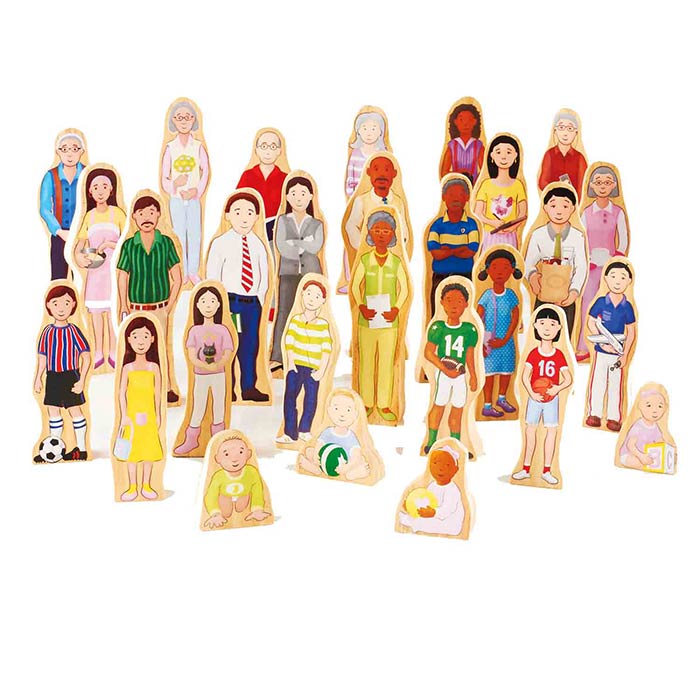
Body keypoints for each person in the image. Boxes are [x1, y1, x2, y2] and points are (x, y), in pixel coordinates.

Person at [116, 194, 183, 403]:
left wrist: (169, 306)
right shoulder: (129, 245)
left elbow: (177, 277)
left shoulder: (166, 243)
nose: (147, 217)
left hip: (160, 307)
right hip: (136, 308)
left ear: (159, 215)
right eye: (141, 213)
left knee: (160, 347)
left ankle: (166, 388)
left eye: (151, 212)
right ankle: (136, 391)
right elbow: (122, 276)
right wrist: (123, 304)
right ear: (134, 217)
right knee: (136, 348)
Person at [206, 191, 270, 402]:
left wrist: (259, 298)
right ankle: (228, 387)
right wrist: (218, 303)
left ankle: (249, 387)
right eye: (238, 212)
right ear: (228, 215)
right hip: (230, 302)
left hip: (251, 303)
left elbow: (264, 273)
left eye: (250, 213)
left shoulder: (258, 244)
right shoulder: (221, 243)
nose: (244, 218)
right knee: (229, 344)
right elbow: (213, 275)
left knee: (250, 346)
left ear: (256, 217)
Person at [350, 210, 410, 423]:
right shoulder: (365, 260)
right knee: (366, 362)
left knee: (386, 363)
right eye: (377, 230)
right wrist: (361, 306)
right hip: (366, 320)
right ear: (369, 232)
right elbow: (355, 286)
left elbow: (404, 289)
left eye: (386, 230)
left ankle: (384, 404)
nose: (381, 234)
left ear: (393, 233)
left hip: (389, 322)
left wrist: (396, 308)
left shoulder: (396, 262)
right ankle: (366, 403)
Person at [72, 167, 126, 370]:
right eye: (95, 187)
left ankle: (112, 350)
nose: (100, 190)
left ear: (111, 190)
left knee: (111, 313)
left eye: (104, 186)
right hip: (95, 274)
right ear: (90, 192)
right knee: (96, 314)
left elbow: (127, 241)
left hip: (113, 271)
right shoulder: (89, 217)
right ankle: (97, 352)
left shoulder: (118, 214)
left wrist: (109, 245)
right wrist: (79, 257)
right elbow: (79, 245)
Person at [512, 307, 573, 486]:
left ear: (559, 328)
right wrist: (532, 393)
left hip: (551, 400)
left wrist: (556, 389)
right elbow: (525, 376)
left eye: (552, 324)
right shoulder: (533, 353)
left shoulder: (559, 355)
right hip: (535, 399)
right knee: (530, 430)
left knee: (552, 432)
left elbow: (568, 378)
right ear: (535, 326)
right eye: (543, 323)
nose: (547, 328)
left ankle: (547, 470)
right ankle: (526, 468)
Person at [271, 175, 324, 372]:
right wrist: (304, 244)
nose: (298, 197)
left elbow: (316, 246)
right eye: (293, 193)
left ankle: (309, 358)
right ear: (286, 196)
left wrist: (295, 242)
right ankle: (278, 356)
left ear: (311, 196)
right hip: (288, 272)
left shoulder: (316, 223)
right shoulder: (283, 220)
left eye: (303, 193)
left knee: (311, 312)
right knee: (284, 311)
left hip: (311, 274)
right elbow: (282, 246)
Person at [576, 165, 630, 360]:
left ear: (614, 185)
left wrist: (615, 260)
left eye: (607, 183)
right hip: (591, 266)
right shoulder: (586, 212)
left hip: (609, 268)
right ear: (591, 185)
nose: (602, 186)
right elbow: (582, 238)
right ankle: (584, 345)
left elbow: (623, 239)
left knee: (610, 306)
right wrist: (586, 259)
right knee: (587, 304)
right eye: (598, 182)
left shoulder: (618, 212)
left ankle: (610, 344)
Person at [174, 286, 235, 455]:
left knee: (219, 407)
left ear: (219, 304)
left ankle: (219, 441)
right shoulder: (194, 330)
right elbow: (191, 355)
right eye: (204, 301)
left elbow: (228, 351)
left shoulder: (223, 330)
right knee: (198, 406)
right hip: (200, 376)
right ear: (197, 305)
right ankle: (191, 440)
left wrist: (218, 364)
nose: (208, 305)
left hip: (219, 375)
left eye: (212, 301)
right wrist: (205, 366)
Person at [33, 285, 91, 462]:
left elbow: (86, 356)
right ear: (48, 305)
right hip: (52, 376)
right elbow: (42, 357)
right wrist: (38, 378)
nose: (61, 308)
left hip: (70, 375)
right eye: (55, 303)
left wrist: (81, 380)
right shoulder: (47, 332)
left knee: (75, 410)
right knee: (53, 410)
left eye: (66, 303)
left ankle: (81, 449)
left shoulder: (73, 331)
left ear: (73, 305)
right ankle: (54, 448)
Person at [342, 153, 412, 292]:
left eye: (386, 170)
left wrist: (397, 246)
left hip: (391, 257)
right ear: (368, 172)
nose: (381, 174)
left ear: (394, 174)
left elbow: (403, 229)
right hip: (369, 258)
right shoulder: (361, 201)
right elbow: (351, 226)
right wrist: (364, 246)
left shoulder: (398, 202)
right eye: (376, 169)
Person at [524, 185, 587, 337]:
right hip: (544, 294)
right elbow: (528, 263)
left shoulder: (577, 236)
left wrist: (574, 292)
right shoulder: (538, 235)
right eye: (553, 206)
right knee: (540, 334)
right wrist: (533, 277)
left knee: (564, 334)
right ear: (545, 207)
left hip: (566, 296)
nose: (559, 211)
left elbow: (581, 267)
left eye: (565, 206)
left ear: (573, 208)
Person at [423, 283, 478, 453]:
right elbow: (428, 352)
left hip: (460, 375)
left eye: (459, 301)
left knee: (458, 409)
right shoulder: (438, 327)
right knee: (438, 405)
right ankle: (431, 441)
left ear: (466, 304)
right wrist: (445, 369)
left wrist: (473, 375)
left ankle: (456, 444)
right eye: (449, 300)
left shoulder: (469, 329)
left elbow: (470, 354)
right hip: (444, 374)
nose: (454, 305)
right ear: (441, 302)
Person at [160, 98, 210, 285]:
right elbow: (164, 177)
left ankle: (193, 272)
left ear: (194, 120)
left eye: (187, 117)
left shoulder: (198, 146)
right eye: (179, 117)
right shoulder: (170, 148)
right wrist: (175, 185)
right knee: (179, 234)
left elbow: (205, 171)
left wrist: (196, 191)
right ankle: (182, 270)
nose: (183, 121)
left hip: (194, 198)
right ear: (173, 121)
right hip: (176, 199)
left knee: (195, 234)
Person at [277, 280, 333, 444]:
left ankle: (304, 430)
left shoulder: (323, 325)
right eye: (308, 293)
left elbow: (326, 348)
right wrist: (291, 364)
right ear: (302, 295)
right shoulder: (296, 320)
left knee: (310, 399)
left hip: (313, 369)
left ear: (323, 300)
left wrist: (321, 371)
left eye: (317, 296)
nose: (311, 299)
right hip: (296, 366)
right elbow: (289, 342)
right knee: (290, 398)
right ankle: (290, 433)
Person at [114, 316, 163, 501]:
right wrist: (124, 415)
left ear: (152, 339)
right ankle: (132, 487)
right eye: (135, 336)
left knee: (149, 450)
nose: (140, 341)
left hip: (149, 416)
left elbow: (158, 393)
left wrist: (158, 415)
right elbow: (121, 392)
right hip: (131, 417)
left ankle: (147, 485)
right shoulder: (127, 368)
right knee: (132, 453)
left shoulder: (154, 367)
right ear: (128, 339)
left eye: (145, 336)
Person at [584, 261, 637, 432]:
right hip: (601, 352)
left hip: (617, 354)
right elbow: (591, 323)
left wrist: (625, 355)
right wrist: (602, 343)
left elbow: (631, 332)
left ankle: (614, 417)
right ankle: (594, 414)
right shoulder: (601, 302)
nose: (617, 281)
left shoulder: (627, 307)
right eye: (613, 276)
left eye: (622, 277)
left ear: (629, 281)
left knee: (615, 385)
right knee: (598, 382)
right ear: (606, 278)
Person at [426, 177, 480, 317]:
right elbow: (436, 254)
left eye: (460, 194)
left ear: (467, 197)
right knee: (438, 313)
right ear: (444, 197)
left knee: (464, 314)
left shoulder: (471, 224)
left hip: (465, 275)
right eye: (451, 194)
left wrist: (447, 250)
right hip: (440, 276)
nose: (455, 199)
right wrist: (459, 249)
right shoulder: (437, 225)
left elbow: (471, 251)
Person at [476, 249, 521, 417]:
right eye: (495, 267)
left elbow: (515, 317)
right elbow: (478, 317)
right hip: (488, 343)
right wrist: (480, 342)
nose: (500, 272)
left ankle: (502, 398)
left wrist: (505, 339)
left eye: (505, 267)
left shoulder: (510, 295)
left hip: (506, 343)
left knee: (506, 371)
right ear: (487, 270)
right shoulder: (487, 295)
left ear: (512, 270)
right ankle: (487, 405)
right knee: (488, 373)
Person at [39, 130, 88, 280]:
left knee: (83, 277)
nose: (69, 154)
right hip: (60, 234)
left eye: (74, 149)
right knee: (59, 277)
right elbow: (45, 209)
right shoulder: (50, 176)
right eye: (64, 149)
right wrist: (59, 231)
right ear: (58, 152)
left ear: (82, 151)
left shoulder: (87, 173)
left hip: (83, 235)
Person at [297, 389, 370, 481]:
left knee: (361, 459)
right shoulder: (328, 432)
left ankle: (352, 474)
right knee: (310, 450)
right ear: (329, 411)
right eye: (336, 409)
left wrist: (347, 466)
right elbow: (319, 444)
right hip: (324, 461)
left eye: (348, 410)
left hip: (344, 464)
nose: (342, 414)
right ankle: (315, 469)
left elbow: (356, 455)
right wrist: (316, 455)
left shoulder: (351, 436)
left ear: (355, 414)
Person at [202, 433, 272, 529]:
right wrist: (215, 513)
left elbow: (257, 490)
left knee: (241, 508)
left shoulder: (251, 472)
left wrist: (257, 509)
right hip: (225, 496)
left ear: (248, 454)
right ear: (217, 458)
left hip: (244, 495)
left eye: (241, 452)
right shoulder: (218, 476)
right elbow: (211, 495)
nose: (234, 459)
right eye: (226, 454)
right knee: (226, 513)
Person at [473, 134, 528, 252]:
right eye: (498, 152)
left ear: (516, 156)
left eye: (508, 152)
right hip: (490, 235)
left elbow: (523, 213)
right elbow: (477, 212)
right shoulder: (486, 184)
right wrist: (492, 222)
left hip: (510, 236)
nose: (503, 157)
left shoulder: (518, 185)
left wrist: (513, 227)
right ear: (492, 156)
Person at [398, 444, 465, 536]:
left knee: (423, 522)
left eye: (447, 465)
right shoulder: (432, 485)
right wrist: (412, 506)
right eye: (435, 463)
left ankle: (411, 522)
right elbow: (427, 502)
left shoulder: (452, 489)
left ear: (455, 470)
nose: (440, 468)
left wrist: (434, 512)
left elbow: (448, 510)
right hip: (436, 516)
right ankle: (410, 519)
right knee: (423, 519)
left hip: (449, 522)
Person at [237, 129, 289, 241]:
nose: (268, 151)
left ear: (279, 151)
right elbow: (237, 202)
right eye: (264, 146)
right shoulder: (247, 176)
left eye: (273, 147)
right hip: (251, 227)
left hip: (276, 229)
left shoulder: (285, 178)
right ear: (256, 150)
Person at [618, 388, 674, 470]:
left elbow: (660, 442)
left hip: (646, 455)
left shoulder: (656, 427)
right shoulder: (638, 426)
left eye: (660, 406)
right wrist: (641, 456)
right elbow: (630, 445)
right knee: (639, 463)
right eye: (649, 406)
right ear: (641, 407)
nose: (655, 410)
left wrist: (669, 452)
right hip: (630, 454)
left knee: (654, 462)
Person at [537, 110, 587, 199]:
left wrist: (576, 203)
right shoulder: (549, 154)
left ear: (576, 132)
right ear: (555, 130)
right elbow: (542, 182)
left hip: (574, 203)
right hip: (553, 201)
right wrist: (559, 187)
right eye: (561, 127)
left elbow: (583, 186)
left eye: (570, 129)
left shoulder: (580, 158)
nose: (565, 133)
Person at [345, 109, 389, 197]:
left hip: (378, 198)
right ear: (358, 131)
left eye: (373, 129)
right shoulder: (355, 154)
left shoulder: (383, 154)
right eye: (364, 129)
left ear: (381, 132)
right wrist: (352, 197)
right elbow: (350, 179)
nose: (369, 134)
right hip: (358, 197)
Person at [439, 102, 484, 182]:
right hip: (456, 185)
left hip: (474, 185)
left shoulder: (478, 146)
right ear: (455, 122)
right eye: (461, 120)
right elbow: (443, 173)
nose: (465, 124)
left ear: (475, 122)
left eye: (469, 120)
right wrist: (458, 174)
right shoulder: (452, 145)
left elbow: (484, 170)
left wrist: (474, 181)